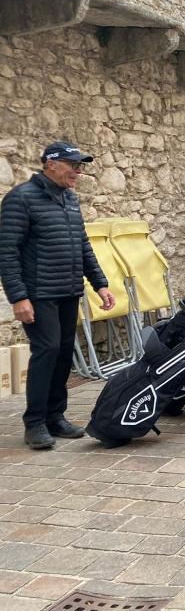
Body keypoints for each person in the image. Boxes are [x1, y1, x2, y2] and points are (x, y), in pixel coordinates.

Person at [0, 141, 115, 450]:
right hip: (39, 294)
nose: (78, 171)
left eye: (80, 166)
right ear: (51, 164)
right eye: (73, 165)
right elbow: (7, 252)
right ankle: (34, 422)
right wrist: (18, 297)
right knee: (47, 350)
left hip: (68, 290)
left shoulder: (69, 199)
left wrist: (100, 283)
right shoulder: (21, 199)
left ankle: (55, 417)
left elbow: (82, 245)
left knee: (64, 353)